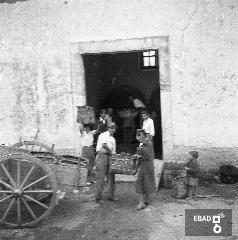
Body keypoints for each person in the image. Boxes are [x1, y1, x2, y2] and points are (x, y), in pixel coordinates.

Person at [132, 129, 156, 210]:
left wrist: (135, 170)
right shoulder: (150, 143)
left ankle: (141, 203)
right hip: (150, 165)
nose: (139, 137)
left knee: (140, 183)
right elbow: (146, 152)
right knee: (148, 181)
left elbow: (138, 161)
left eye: (139, 135)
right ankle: (147, 199)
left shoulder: (140, 148)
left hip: (144, 166)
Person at [95, 122, 117, 204]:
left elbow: (113, 151)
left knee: (111, 177)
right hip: (102, 156)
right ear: (108, 128)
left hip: (110, 157)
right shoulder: (103, 135)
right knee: (100, 178)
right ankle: (98, 198)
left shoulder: (113, 139)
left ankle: (110, 196)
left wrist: (114, 157)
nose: (113, 130)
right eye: (111, 128)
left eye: (114, 128)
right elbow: (104, 145)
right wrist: (111, 151)